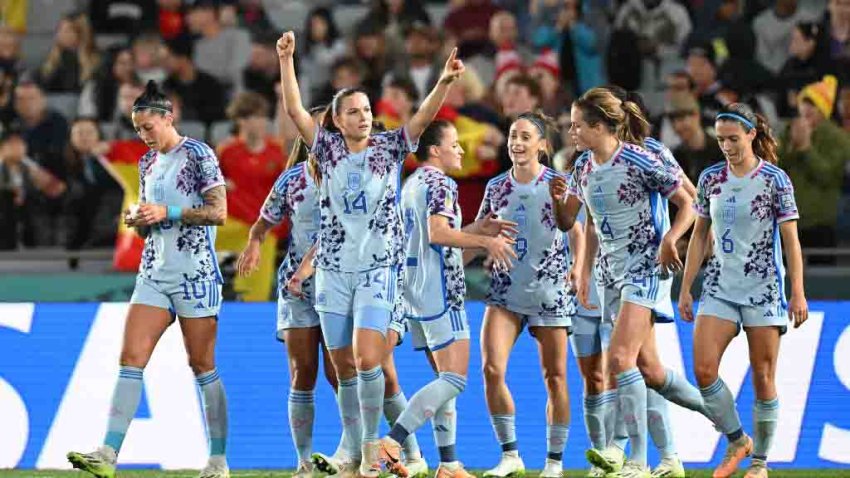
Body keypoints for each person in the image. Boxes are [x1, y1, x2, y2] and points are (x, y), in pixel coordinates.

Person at [277, 30, 464, 477]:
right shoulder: (326, 150)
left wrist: (443, 82)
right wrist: (287, 61)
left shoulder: (390, 148)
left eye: (366, 110)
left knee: (367, 359)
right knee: (343, 366)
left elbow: (421, 120)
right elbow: (294, 110)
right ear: (338, 121)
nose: (364, 117)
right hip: (333, 273)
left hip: (378, 271)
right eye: (354, 112)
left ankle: (368, 451)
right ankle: (354, 448)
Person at [66, 80, 229, 478]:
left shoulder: (198, 155)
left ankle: (218, 459)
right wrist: (139, 221)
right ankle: (107, 454)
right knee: (131, 359)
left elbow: (219, 211)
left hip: (196, 274)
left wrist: (167, 212)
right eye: (137, 129)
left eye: (148, 128)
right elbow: (150, 218)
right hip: (154, 273)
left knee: (202, 364)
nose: (143, 136)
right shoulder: (146, 162)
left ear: (168, 118)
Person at [553, 88, 708, 478]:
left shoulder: (645, 156)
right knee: (648, 368)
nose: (570, 132)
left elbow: (690, 200)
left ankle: (633, 458)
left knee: (620, 360)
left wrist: (673, 240)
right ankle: (703, 434)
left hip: (645, 269)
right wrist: (583, 265)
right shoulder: (583, 166)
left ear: (602, 124)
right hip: (609, 274)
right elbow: (572, 220)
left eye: (576, 125)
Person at [377, 120, 517, 478]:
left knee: (444, 384)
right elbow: (439, 235)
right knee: (454, 379)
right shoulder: (441, 183)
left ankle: (449, 464)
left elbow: (431, 237)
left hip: (416, 290)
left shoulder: (412, 184)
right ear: (435, 150)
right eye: (454, 144)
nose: (461, 150)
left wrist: (474, 230)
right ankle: (393, 441)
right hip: (441, 290)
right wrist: (487, 242)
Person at [679, 103, 808, 478]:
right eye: (720, 140)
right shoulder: (710, 180)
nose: (727, 147)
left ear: (752, 134)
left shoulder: (775, 180)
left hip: (764, 289)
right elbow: (700, 234)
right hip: (719, 286)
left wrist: (797, 291)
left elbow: (792, 242)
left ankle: (760, 463)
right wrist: (687, 288)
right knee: (703, 371)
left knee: (763, 376)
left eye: (733, 139)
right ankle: (737, 439)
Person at [235, 106, 341, 478]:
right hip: (297, 289)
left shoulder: (351, 176)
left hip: (340, 286)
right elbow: (263, 222)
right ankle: (304, 462)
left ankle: (352, 454)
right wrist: (253, 243)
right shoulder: (293, 179)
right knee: (302, 373)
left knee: (338, 373)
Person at [475, 111, 582, 478]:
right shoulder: (496, 188)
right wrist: (486, 246)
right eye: (512, 136)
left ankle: (553, 463)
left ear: (542, 145)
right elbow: (483, 231)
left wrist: (577, 267)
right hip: (506, 291)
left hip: (550, 291)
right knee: (491, 369)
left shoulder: (559, 183)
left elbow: (576, 231)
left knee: (555, 377)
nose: (516, 143)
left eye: (524, 137)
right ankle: (510, 455)